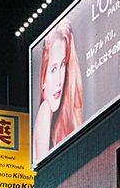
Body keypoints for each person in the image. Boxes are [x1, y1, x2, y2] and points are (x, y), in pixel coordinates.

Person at [32, 22, 83, 164]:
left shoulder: (57, 116)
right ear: (43, 78)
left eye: (62, 65)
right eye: (53, 69)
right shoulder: (44, 112)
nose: (59, 80)